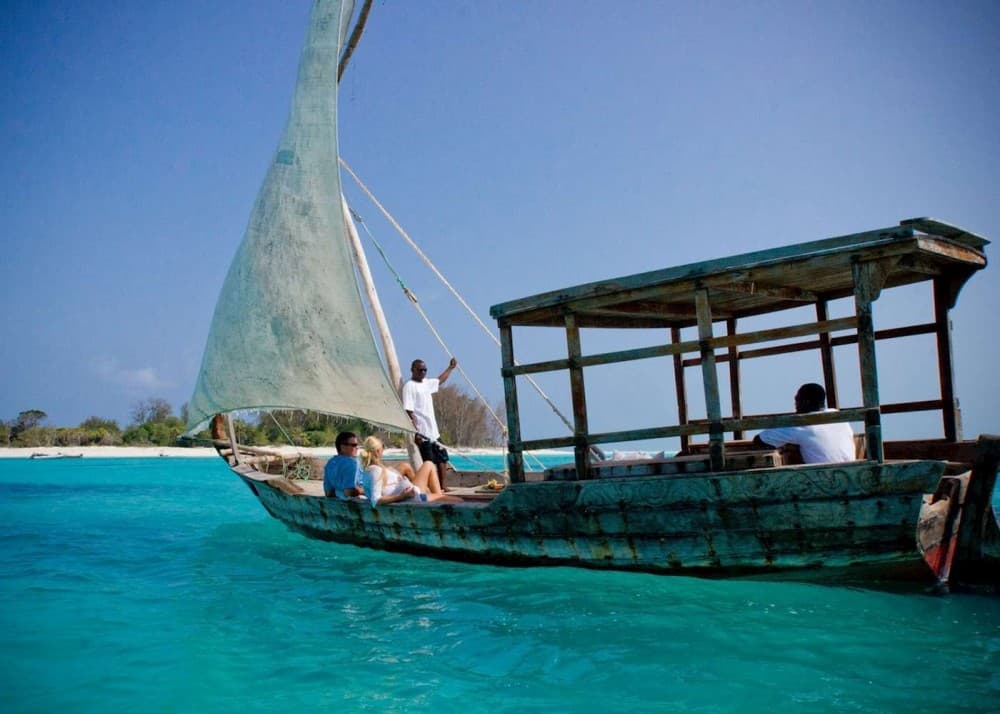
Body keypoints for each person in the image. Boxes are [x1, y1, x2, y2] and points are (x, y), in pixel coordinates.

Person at [752, 383, 856, 464]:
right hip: (851, 473)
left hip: (824, 479)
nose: (795, 405)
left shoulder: (803, 423)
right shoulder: (838, 416)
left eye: (797, 400)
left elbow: (760, 440)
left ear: (806, 402)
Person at [358, 435, 461, 508]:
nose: (383, 451)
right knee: (459, 501)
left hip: (412, 494)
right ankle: (438, 499)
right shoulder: (375, 472)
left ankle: (439, 497)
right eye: (382, 448)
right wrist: (402, 496)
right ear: (377, 452)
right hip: (413, 498)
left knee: (428, 464)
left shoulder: (372, 469)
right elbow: (376, 501)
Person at [401, 357, 456, 488]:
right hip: (423, 433)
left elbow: (440, 380)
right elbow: (409, 411)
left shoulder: (426, 383)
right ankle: (434, 488)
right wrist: (416, 432)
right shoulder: (409, 386)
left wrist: (450, 368)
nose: (423, 372)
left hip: (434, 432)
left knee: (442, 459)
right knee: (429, 463)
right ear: (413, 370)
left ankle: (443, 487)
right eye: (420, 370)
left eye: (425, 370)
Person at [323, 431, 365, 498]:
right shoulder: (352, 463)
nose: (357, 447)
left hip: (336, 506)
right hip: (355, 506)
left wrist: (339, 492)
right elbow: (349, 491)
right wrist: (367, 491)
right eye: (354, 445)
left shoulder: (330, 463)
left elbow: (328, 493)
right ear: (342, 447)